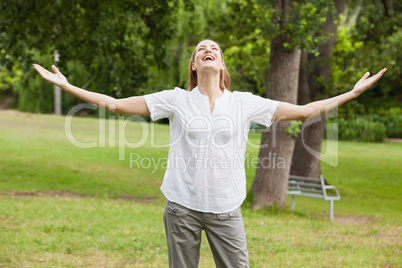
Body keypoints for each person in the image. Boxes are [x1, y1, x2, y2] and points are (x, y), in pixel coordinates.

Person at [33, 39, 386, 267]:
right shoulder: (175, 99)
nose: (208, 49)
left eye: (214, 48)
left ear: (221, 66)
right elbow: (113, 106)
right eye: (201, 48)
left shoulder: (245, 104)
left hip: (225, 210)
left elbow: (306, 110)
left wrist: (351, 94)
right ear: (194, 65)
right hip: (181, 208)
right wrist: (68, 86)